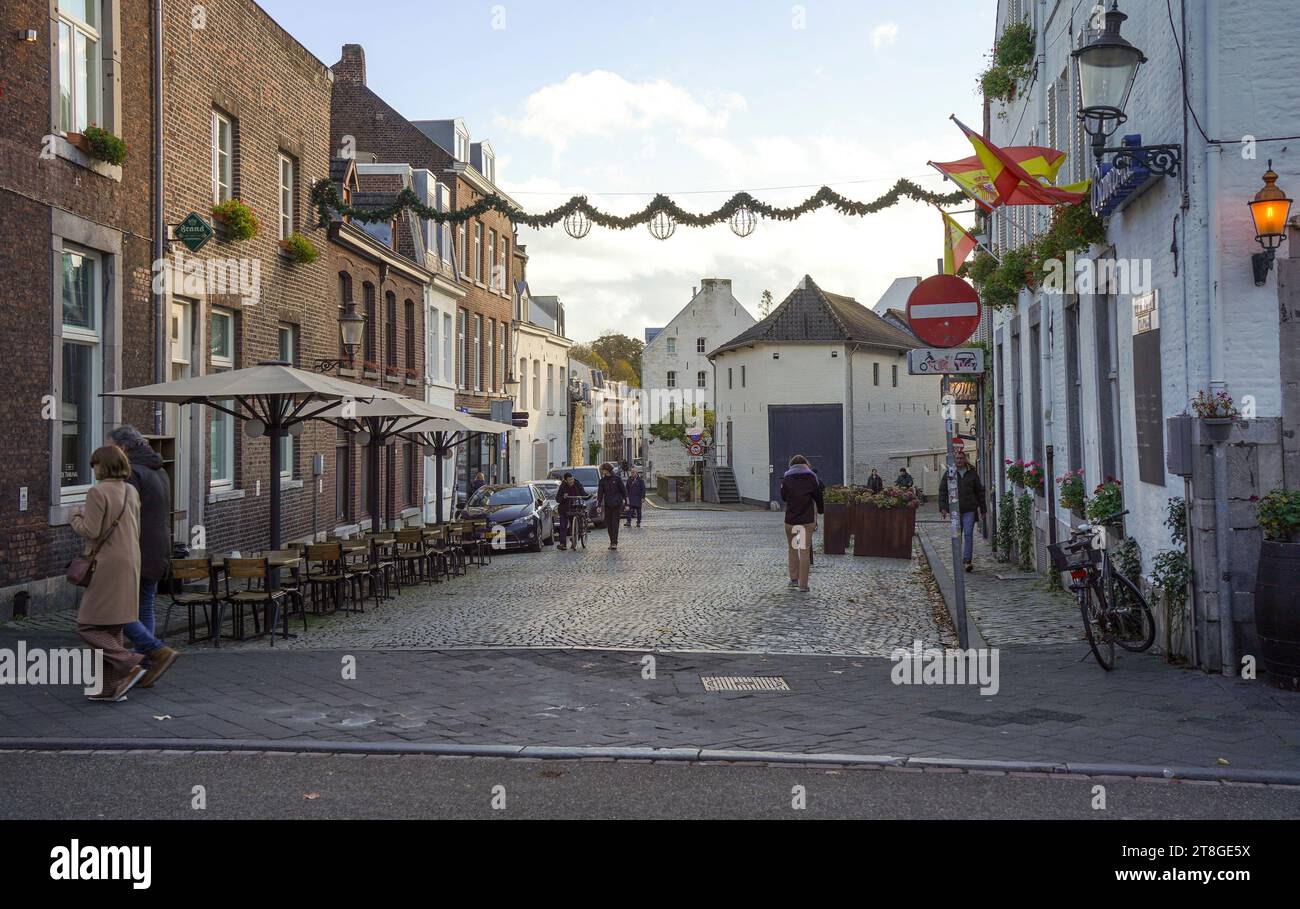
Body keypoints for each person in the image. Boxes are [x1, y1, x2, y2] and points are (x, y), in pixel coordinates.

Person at [71, 446, 146, 702]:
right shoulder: (131, 490)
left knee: (88, 625)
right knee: (112, 627)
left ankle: (129, 663)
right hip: (131, 559)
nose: (93, 469)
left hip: (107, 563)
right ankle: (109, 689)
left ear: (102, 466)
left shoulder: (97, 491)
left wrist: (75, 516)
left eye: (95, 464)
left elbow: (90, 530)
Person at [109, 426, 180, 689]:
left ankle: (155, 650)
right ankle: (145, 667)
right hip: (158, 548)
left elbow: (124, 517)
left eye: (111, 447)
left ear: (123, 448)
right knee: (144, 606)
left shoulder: (131, 474)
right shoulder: (159, 470)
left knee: (113, 610)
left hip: (135, 550)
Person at [779, 454, 823, 593]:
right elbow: (818, 496)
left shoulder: (787, 478)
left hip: (792, 519)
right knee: (804, 550)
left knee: (793, 548)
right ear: (806, 464)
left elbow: (783, 497)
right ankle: (803, 585)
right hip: (806, 520)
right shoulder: (811, 478)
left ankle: (793, 579)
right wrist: (820, 511)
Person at [938, 449, 987, 573]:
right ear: (954, 460)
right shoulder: (950, 473)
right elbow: (943, 490)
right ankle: (958, 559)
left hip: (969, 509)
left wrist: (983, 508)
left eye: (961, 458)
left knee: (968, 533)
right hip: (955, 510)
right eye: (957, 458)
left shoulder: (972, 473)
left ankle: (967, 560)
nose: (959, 460)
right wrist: (943, 508)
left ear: (965, 459)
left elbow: (979, 492)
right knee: (957, 536)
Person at [596, 463, 627, 550]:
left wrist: (627, 503)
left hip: (617, 504)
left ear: (607, 470)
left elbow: (624, 491)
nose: (602, 471)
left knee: (615, 523)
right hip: (608, 505)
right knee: (609, 524)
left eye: (602, 469)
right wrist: (598, 505)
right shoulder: (602, 481)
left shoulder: (617, 479)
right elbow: (600, 494)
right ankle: (611, 541)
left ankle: (614, 542)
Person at [555, 472, 587, 550]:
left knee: (575, 525)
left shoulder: (577, 484)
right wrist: (563, 497)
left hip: (575, 507)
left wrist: (588, 496)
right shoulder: (562, 486)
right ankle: (563, 544)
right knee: (563, 526)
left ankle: (574, 538)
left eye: (572, 479)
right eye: (569, 480)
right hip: (564, 509)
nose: (571, 481)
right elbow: (557, 499)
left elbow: (583, 493)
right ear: (565, 480)